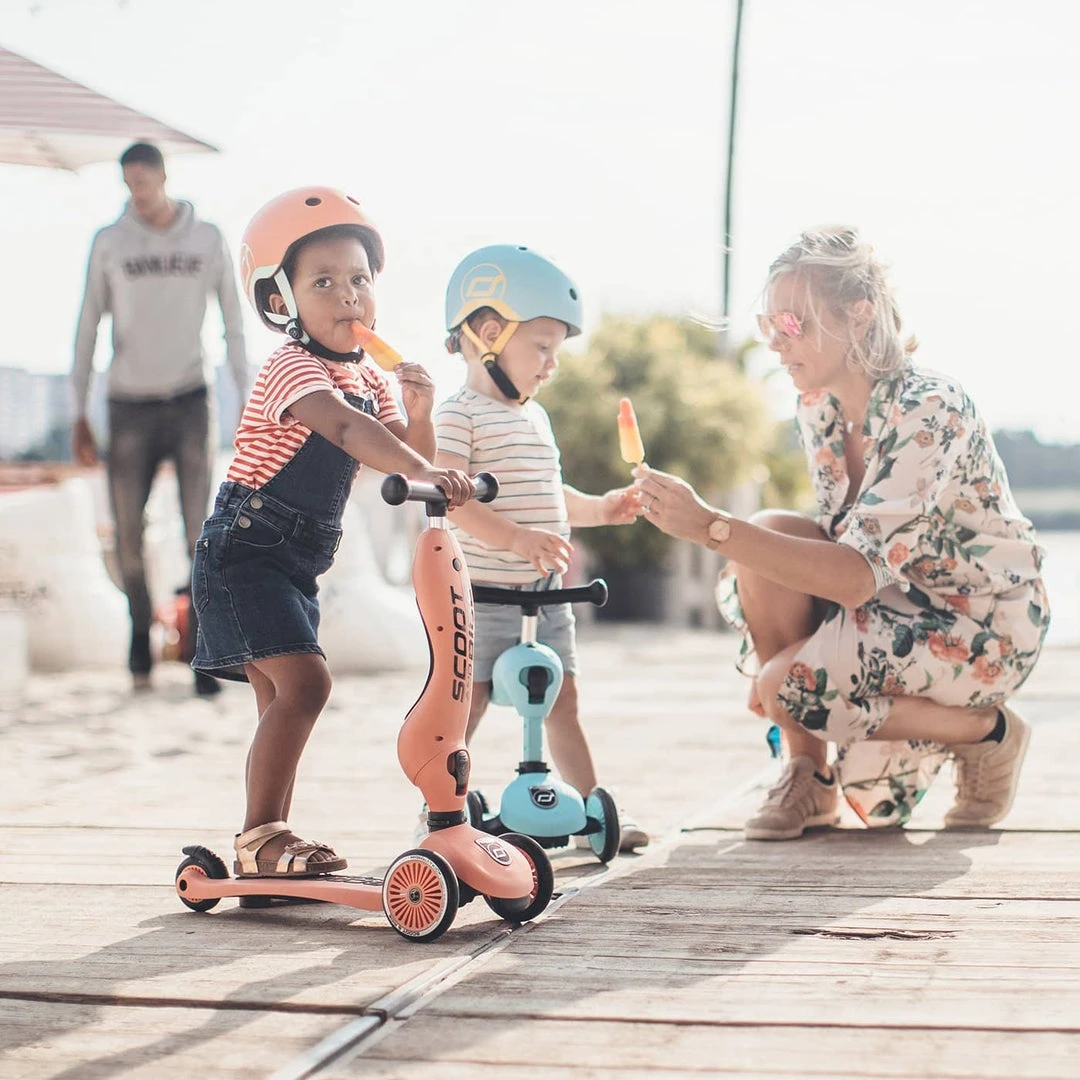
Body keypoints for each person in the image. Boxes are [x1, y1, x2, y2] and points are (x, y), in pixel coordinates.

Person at [634, 226, 1050, 840]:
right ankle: (809, 776)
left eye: (793, 323)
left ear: (858, 318)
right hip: (898, 604)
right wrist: (728, 536)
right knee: (770, 534)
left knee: (782, 682)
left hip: (981, 624)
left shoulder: (931, 407)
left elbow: (855, 577)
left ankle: (990, 732)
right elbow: (838, 551)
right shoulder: (818, 407)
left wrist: (708, 527)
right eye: (767, 324)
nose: (776, 342)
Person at [191, 188, 473, 878]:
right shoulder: (294, 368)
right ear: (281, 301)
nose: (349, 296)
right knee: (306, 686)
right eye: (324, 282)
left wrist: (419, 414)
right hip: (243, 554)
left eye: (359, 280)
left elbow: (402, 456)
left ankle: (266, 841)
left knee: (279, 701)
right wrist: (422, 463)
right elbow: (350, 433)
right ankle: (262, 838)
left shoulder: (368, 378)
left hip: (293, 563)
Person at [433, 244, 649, 852]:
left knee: (563, 701)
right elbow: (452, 500)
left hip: (547, 596)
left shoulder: (537, 418)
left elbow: (550, 494)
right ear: (488, 333)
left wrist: (602, 509)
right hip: (485, 598)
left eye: (556, 350)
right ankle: (441, 814)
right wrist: (516, 539)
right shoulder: (460, 415)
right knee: (466, 707)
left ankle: (593, 810)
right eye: (542, 347)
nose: (551, 364)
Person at [71, 141, 249, 695]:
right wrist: (79, 411)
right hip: (127, 405)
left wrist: (246, 405)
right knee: (128, 535)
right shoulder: (110, 242)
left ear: (164, 177)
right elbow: (86, 326)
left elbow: (233, 325)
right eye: (128, 185)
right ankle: (137, 635)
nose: (137, 196)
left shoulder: (206, 237)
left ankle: (201, 649)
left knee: (201, 531)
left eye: (144, 184)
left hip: (191, 399)